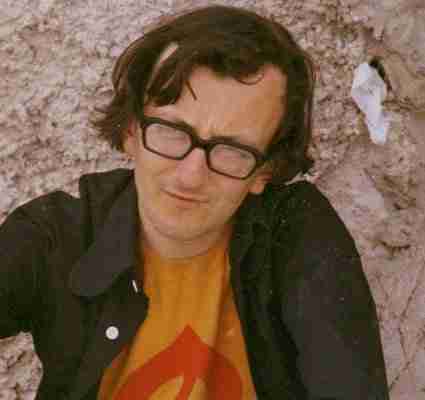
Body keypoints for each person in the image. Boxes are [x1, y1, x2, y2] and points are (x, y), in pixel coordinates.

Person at [0, 5, 389, 400]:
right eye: (171, 131)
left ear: (264, 171)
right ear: (131, 130)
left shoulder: (297, 234)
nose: (191, 176)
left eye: (232, 150)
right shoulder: (58, 234)